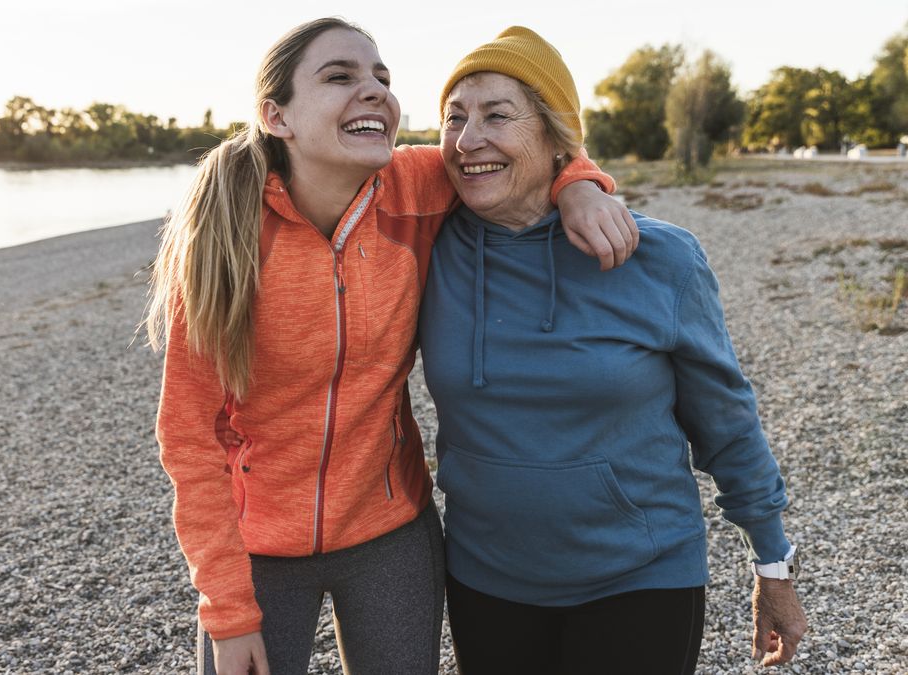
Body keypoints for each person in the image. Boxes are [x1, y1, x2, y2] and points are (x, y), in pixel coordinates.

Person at [145, 18, 636, 675]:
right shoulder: (224, 240)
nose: (373, 90)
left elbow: (520, 149)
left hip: (390, 533)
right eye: (340, 77)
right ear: (277, 116)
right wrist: (227, 612)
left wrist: (579, 185)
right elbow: (186, 436)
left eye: (382, 77)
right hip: (257, 545)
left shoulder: (418, 189)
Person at [418, 27, 809, 674]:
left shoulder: (660, 258)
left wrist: (773, 563)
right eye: (452, 118)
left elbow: (727, 421)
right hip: (487, 580)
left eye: (496, 116)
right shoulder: (425, 247)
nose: (466, 139)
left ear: (554, 136)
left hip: (641, 579)